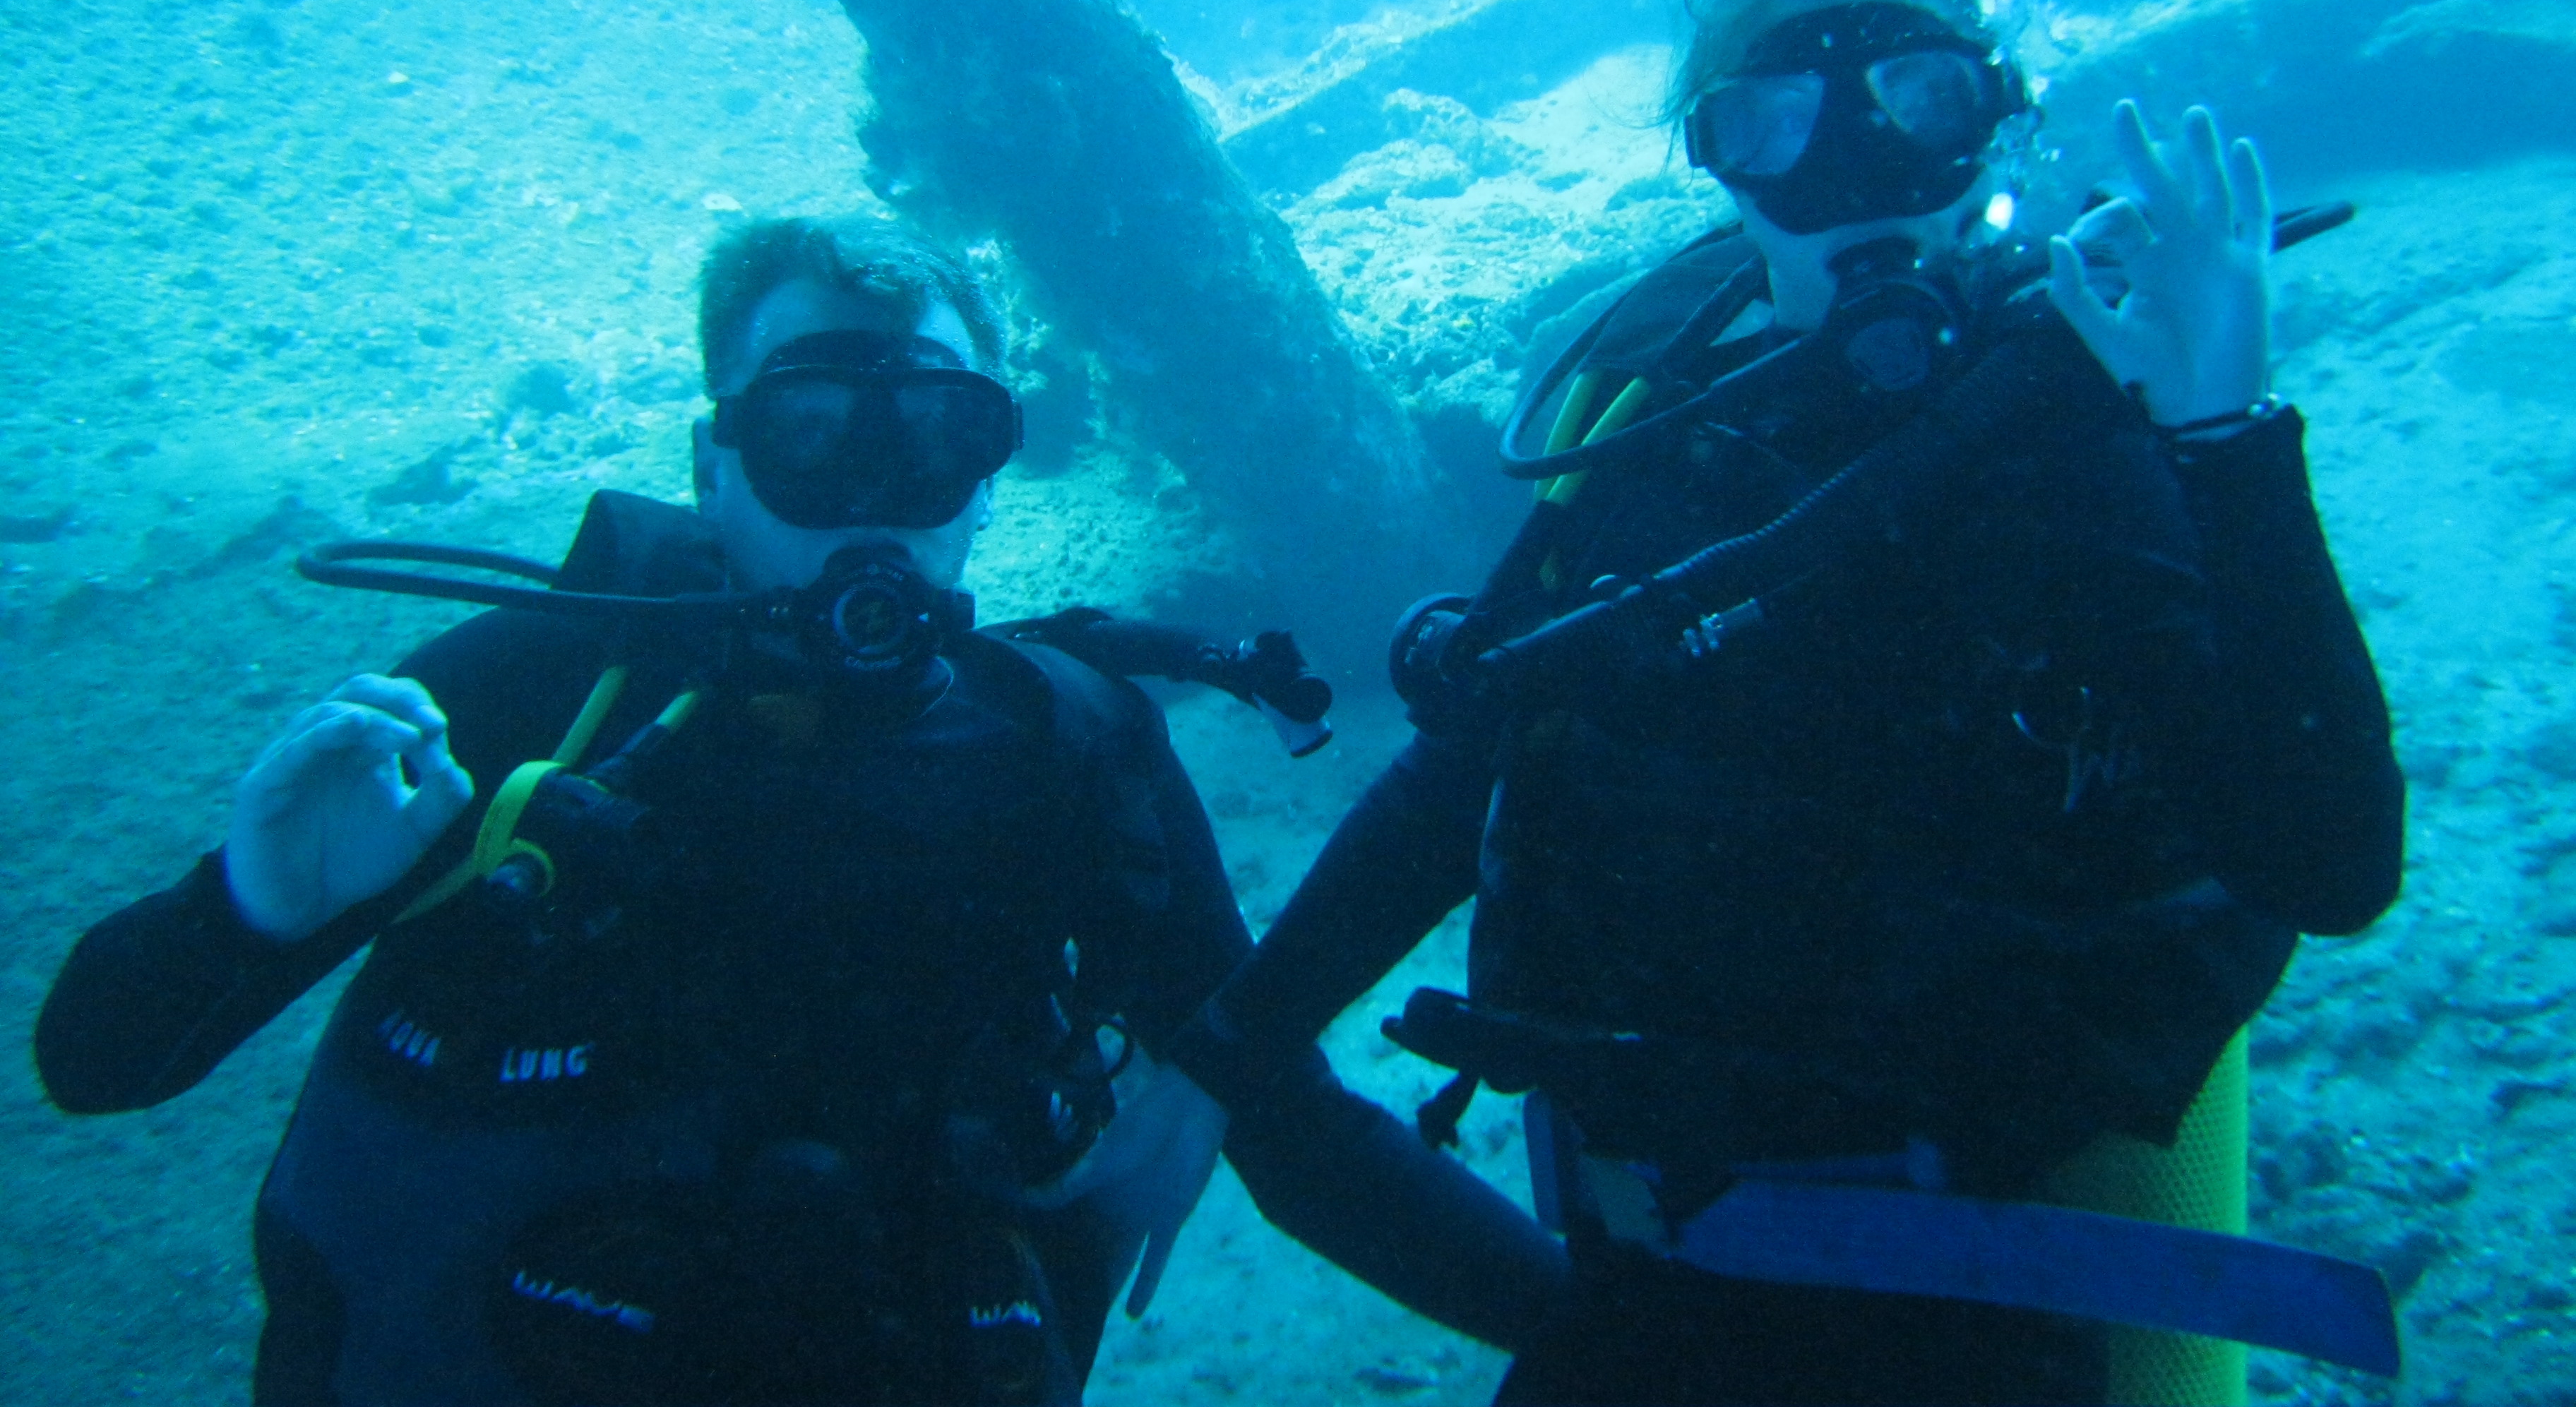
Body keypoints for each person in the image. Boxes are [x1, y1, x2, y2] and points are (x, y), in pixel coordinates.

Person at [1159, 0, 2407, 1405]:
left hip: (1988, 1299)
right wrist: (1221, 1055)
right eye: (1779, 129)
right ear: (1718, 162)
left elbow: (2334, 865)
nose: (1858, 181)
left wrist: (2226, 437)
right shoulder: (1649, 427)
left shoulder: (2092, 434)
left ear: (1994, 119)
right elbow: (1466, 765)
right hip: (1653, 1279)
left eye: (1920, 109)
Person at [35, 214, 1563, 1406]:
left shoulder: (1071, 747)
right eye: (814, 432)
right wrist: (246, 907)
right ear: (716, 465)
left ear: (988, 476)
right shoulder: (533, 702)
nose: (878, 493)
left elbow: (1293, 1136)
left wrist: (1634, 1345)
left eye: (940, 436)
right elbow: (97, 1061)